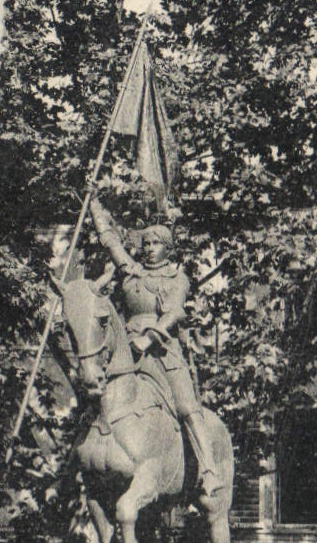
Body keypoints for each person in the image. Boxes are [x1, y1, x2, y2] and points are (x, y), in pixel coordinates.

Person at [88, 195, 220, 498]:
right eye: (145, 244)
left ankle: (209, 468)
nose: (149, 249)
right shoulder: (132, 271)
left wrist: (149, 337)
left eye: (155, 243)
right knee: (94, 395)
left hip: (161, 350)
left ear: (167, 248)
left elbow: (174, 312)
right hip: (124, 350)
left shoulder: (177, 277)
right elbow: (109, 240)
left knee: (186, 405)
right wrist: (94, 202)